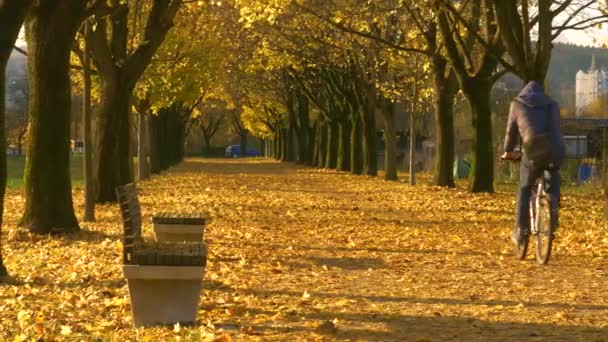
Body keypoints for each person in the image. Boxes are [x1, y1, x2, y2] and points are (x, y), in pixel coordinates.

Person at [501, 81, 565, 244]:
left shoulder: (517, 104)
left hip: (533, 149)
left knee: (525, 187)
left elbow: (511, 132)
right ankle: (553, 216)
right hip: (555, 149)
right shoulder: (552, 104)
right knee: (553, 179)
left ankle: (521, 231)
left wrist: (508, 151)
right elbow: (557, 128)